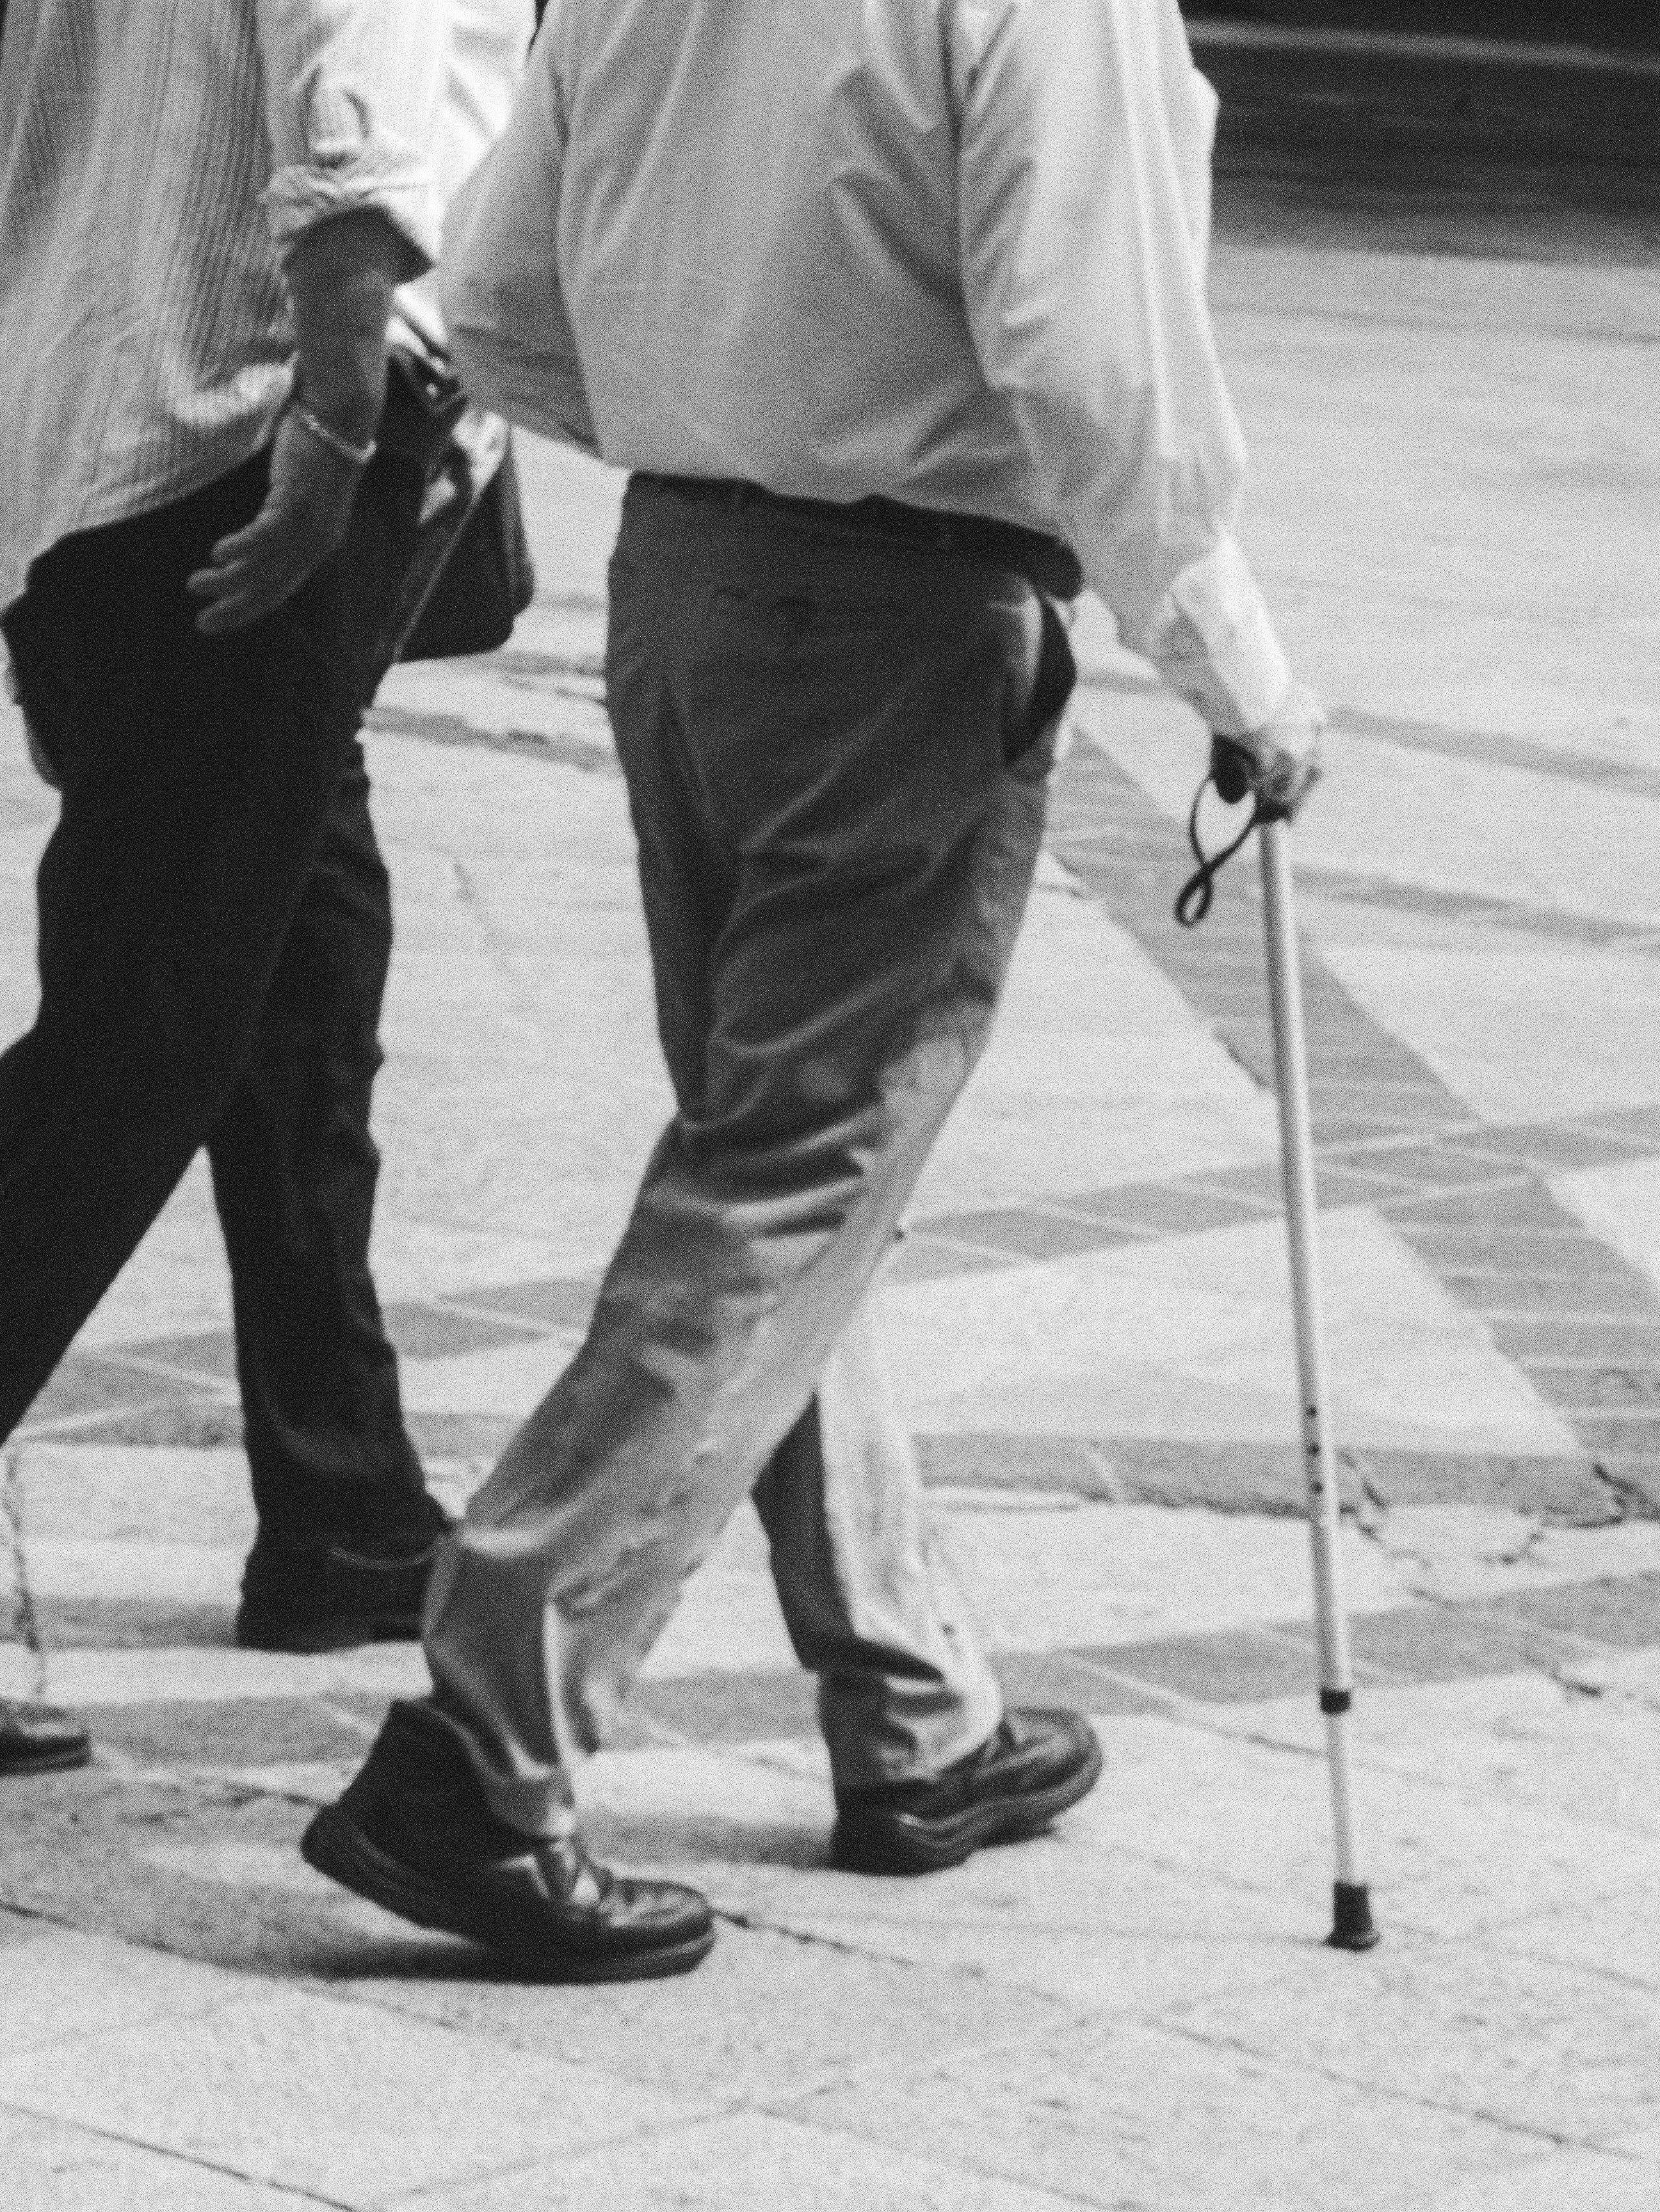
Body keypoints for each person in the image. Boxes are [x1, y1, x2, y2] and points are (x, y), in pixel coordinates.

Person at [302, 0, 1327, 1984]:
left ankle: (913, 1700)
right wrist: (1239, 672)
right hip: (908, 605)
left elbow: (504, 293)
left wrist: (732, 431)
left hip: (688, 591)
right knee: (790, 1176)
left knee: (772, 1171)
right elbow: (1097, 367)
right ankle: (485, 1736)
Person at [0, 0, 534, 1781]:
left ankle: (345, 1504)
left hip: (101, 428)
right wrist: (335, 414)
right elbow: (363, 102)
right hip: (234, 447)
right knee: (134, 1047)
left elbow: (61, 117)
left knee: (304, 957)